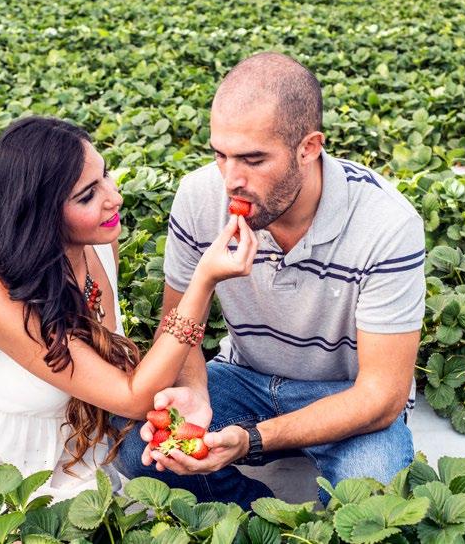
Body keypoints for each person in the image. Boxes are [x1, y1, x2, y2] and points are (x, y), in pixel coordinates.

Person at [113, 53, 425, 509]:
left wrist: (251, 440)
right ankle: (265, 521)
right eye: (220, 155)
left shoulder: (387, 223)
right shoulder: (199, 196)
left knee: (374, 492)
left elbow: (382, 396)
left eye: (253, 159)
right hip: (244, 377)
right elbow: (178, 326)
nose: (231, 180)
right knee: (138, 448)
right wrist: (195, 391)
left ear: (309, 147)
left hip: (346, 393)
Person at [0, 116, 258, 500]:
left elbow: (115, 363)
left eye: (106, 175)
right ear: (40, 213)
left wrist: (186, 391)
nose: (114, 198)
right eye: (87, 196)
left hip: (71, 443)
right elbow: (133, 396)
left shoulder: (99, 242)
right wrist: (203, 282)